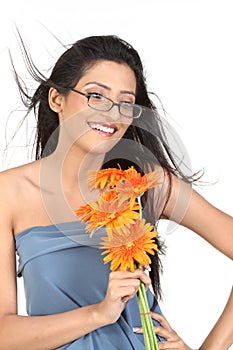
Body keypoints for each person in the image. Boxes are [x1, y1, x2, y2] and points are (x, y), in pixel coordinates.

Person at [0, 34, 232, 350]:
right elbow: (3, 333)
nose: (112, 114)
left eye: (126, 102)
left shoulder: (147, 184)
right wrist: (99, 313)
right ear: (57, 99)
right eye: (96, 96)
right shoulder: (9, 193)